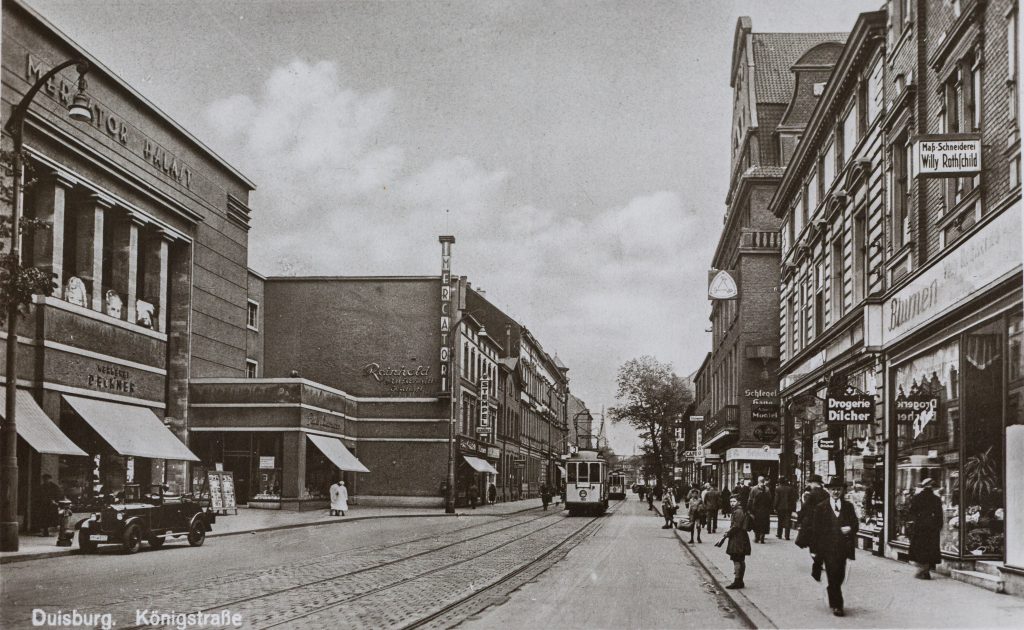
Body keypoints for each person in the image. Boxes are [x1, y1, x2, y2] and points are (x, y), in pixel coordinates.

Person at [805, 478, 859, 617]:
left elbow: (855, 524)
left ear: (842, 491)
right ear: (828, 490)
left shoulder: (848, 507)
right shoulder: (821, 507)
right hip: (827, 548)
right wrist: (814, 550)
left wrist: (850, 528)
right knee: (833, 574)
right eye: (833, 489)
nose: (836, 492)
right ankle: (837, 605)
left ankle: (832, 590)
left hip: (843, 548)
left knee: (839, 575)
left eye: (838, 489)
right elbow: (815, 530)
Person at [796, 473, 830, 581]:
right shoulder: (826, 494)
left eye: (810, 482)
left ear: (814, 483)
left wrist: (799, 518)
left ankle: (818, 561)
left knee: (812, 543)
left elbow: (805, 508)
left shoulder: (812, 494)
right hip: (825, 522)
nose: (809, 484)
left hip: (812, 523)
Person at [908, 477, 943, 580]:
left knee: (920, 547)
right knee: (930, 548)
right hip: (932, 526)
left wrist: (915, 522)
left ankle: (923, 570)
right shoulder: (936, 499)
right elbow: (939, 515)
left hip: (920, 525)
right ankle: (926, 570)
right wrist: (938, 526)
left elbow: (912, 512)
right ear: (932, 488)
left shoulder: (917, 498)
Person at [716, 495, 751, 589]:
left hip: (738, 538)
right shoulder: (738, 510)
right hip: (739, 537)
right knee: (739, 559)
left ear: (738, 502)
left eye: (734, 501)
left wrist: (725, 535)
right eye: (731, 501)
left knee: (737, 559)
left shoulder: (738, 511)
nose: (732, 503)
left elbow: (736, 526)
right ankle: (739, 581)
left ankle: (737, 581)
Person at [747, 475, 772, 544]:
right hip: (765, 510)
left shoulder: (754, 489)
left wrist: (749, 509)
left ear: (758, 481)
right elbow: (770, 500)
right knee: (764, 524)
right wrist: (769, 509)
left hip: (756, 510)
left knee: (756, 523)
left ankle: (757, 537)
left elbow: (750, 499)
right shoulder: (767, 489)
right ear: (764, 481)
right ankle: (762, 537)